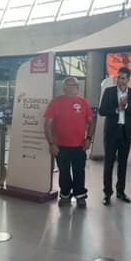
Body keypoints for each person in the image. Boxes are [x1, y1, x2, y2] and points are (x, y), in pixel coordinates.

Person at [44, 77, 96, 208]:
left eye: (73, 85)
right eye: (67, 85)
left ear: (78, 88)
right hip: (61, 147)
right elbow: (48, 124)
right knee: (64, 172)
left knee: (79, 172)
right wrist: (51, 143)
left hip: (79, 146)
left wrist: (89, 139)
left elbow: (92, 122)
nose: (69, 88)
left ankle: (80, 196)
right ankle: (65, 195)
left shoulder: (83, 103)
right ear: (63, 88)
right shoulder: (55, 103)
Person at [98, 67, 131, 206]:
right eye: (118, 78)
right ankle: (107, 193)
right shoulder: (109, 92)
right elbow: (102, 111)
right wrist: (117, 109)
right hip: (111, 133)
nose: (120, 80)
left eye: (123, 78)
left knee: (123, 164)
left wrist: (126, 106)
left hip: (125, 134)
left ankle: (120, 192)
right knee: (109, 164)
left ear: (128, 79)